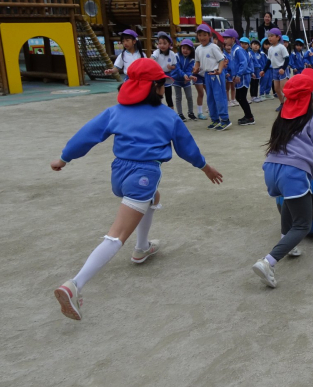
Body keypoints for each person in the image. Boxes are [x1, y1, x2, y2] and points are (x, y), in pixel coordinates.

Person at [50, 59, 223, 320]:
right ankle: (74, 284)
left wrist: (64, 158)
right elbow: (188, 149)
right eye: (162, 84)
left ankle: (142, 249)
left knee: (154, 196)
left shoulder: (115, 111)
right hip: (143, 174)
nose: (164, 87)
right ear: (154, 88)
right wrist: (205, 168)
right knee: (117, 235)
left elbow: (86, 135)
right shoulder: (167, 115)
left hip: (119, 173)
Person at [253, 69, 313, 288]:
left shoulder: (282, 117)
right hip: (293, 173)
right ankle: (268, 262)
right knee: (303, 225)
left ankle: (286, 242)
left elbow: (298, 143)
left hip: (271, 169)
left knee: (290, 200)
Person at [193, 24, 231, 131]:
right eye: (200, 35)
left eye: (204, 35)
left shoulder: (213, 47)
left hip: (216, 74)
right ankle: (215, 120)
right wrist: (195, 69)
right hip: (207, 75)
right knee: (210, 98)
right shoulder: (198, 49)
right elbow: (197, 61)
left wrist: (219, 70)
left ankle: (225, 119)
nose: (202, 37)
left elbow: (221, 60)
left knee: (219, 97)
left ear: (209, 35)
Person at [223, 29, 255, 126]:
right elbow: (234, 64)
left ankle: (250, 117)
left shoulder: (238, 50)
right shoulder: (233, 49)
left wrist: (239, 74)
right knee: (239, 97)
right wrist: (233, 74)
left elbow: (244, 63)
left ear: (233, 39)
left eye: (226, 38)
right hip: (239, 76)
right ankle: (248, 115)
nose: (224, 40)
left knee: (241, 97)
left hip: (243, 76)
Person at [171, 38, 197, 121]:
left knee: (189, 97)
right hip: (177, 80)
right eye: (183, 48)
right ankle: (180, 114)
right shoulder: (176, 56)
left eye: (188, 49)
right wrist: (185, 75)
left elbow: (189, 70)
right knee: (178, 97)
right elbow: (177, 69)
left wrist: (190, 76)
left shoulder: (192, 59)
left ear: (191, 50)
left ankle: (191, 113)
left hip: (186, 81)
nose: (185, 50)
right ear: (180, 48)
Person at [150, 31, 177, 109]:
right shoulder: (156, 52)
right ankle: (157, 110)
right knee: (158, 95)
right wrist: (149, 60)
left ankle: (171, 112)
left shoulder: (172, 54)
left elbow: (175, 66)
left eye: (164, 43)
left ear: (169, 44)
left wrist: (171, 67)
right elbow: (153, 57)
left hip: (167, 76)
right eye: (160, 43)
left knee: (168, 96)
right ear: (157, 44)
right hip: (158, 75)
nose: (162, 45)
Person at [266, 28, 289, 110]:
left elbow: (287, 59)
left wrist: (283, 68)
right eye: (269, 36)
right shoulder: (270, 49)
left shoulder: (281, 47)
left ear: (278, 37)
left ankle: (290, 103)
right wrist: (263, 70)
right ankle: (282, 103)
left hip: (282, 70)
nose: (270, 38)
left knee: (284, 89)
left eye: (272, 36)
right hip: (274, 70)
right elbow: (269, 61)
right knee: (276, 89)